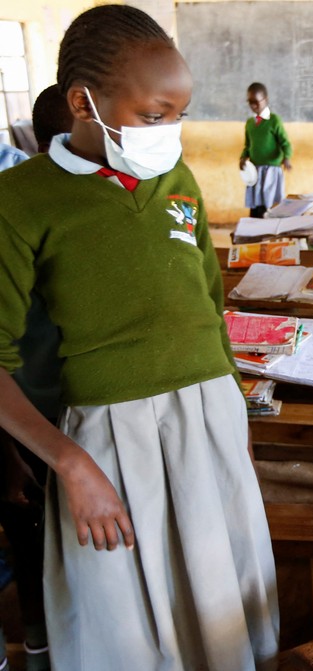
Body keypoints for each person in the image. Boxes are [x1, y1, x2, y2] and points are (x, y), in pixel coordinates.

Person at [0, 6, 278, 668]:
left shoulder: (175, 179)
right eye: (154, 115)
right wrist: (69, 461)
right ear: (82, 102)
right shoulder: (21, 199)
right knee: (127, 626)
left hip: (209, 423)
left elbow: (207, 304)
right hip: (108, 442)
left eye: (179, 113)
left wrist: (231, 404)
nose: (169, 131)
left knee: (221, 610)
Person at [0, 81, 75, 671]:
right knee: (31, 541)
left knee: (64, 544)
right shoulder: (21, 208)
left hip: (66, 414)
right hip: (24, 423)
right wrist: (9, 450)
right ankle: (41, 645)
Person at [240, 81, 292, 218]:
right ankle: (255, 231)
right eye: (250, 102)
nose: (253, 106)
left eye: (256, 102)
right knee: (256, 204)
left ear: (266, 100)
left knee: (269, 204)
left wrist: (287, 157)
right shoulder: (250, 123)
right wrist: (243, 157)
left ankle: (270, 232)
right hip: (255, 171)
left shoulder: (274, 120)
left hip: (271, 171)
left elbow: (284, 142)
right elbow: (247, 145)